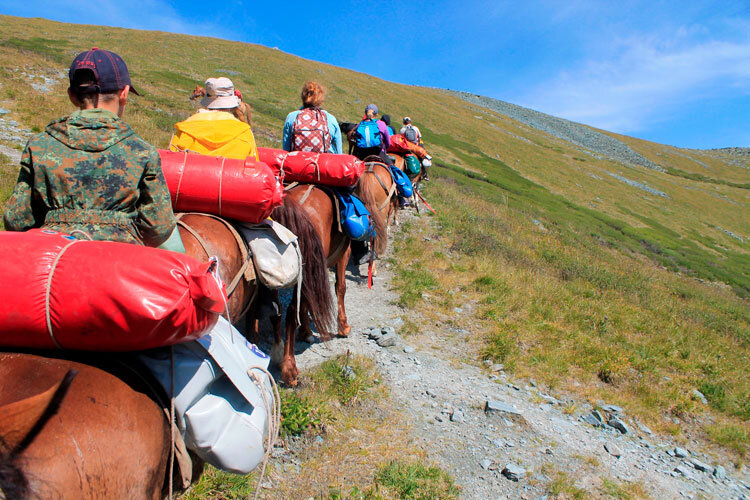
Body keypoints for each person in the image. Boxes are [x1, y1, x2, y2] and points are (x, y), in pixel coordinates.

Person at [3, 48, 179, 249]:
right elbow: (160, 228)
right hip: (119, 262)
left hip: (51, 257)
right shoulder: (142, 151)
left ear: (72, 95)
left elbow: (16, 219)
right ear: (124, 94)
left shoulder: (39, 145)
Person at [169, 77, 258, 160]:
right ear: (230, 103)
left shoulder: (185, 129)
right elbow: (255, 165)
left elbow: (171, 157)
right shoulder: (245, 133)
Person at [283, 81, 342, 154]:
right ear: (321, 99)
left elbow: (286, 151)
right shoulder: (331, 119)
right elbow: (339, 153)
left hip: (297, 163)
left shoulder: (292, 117)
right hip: (323, 163)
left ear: (303, 96)